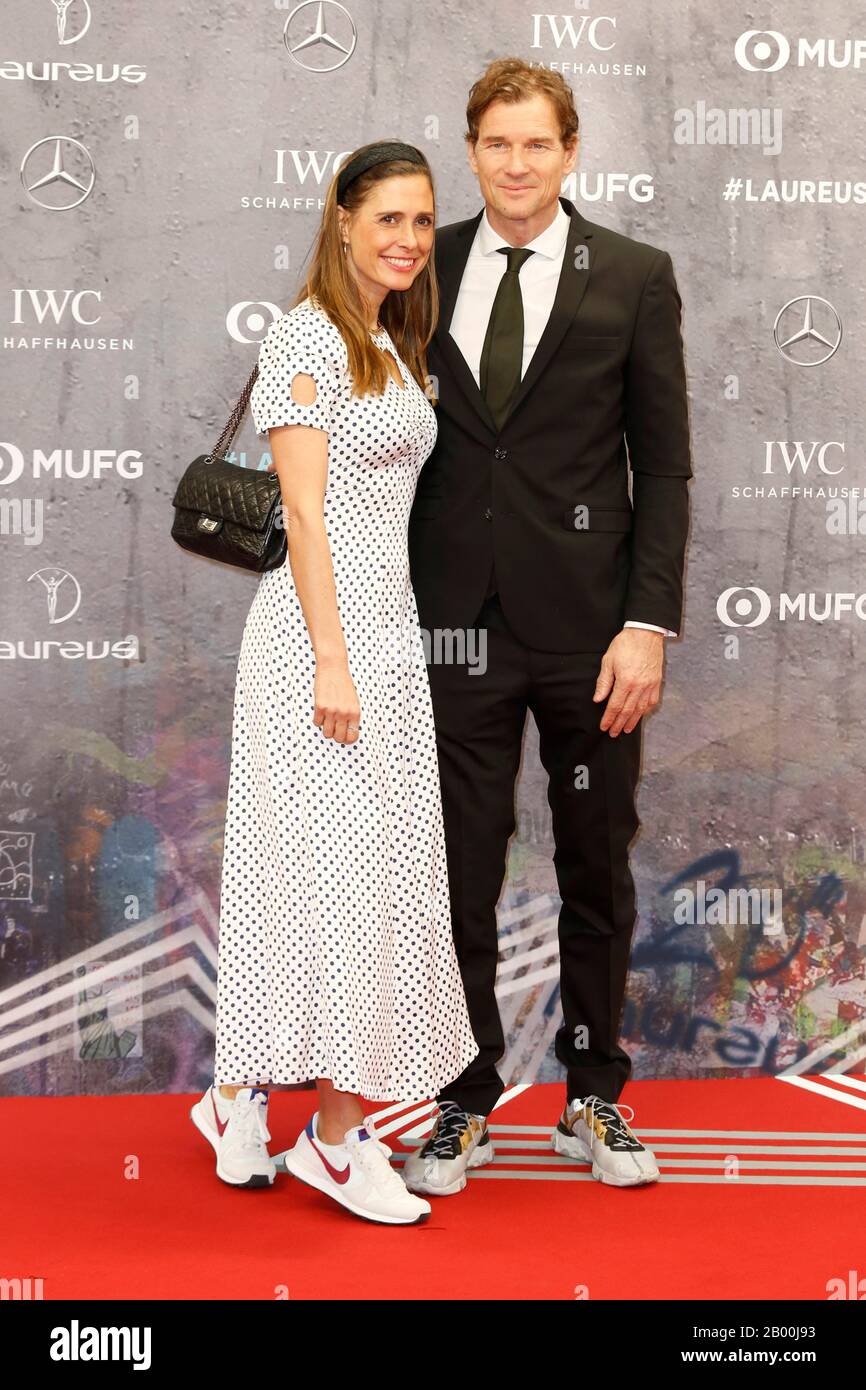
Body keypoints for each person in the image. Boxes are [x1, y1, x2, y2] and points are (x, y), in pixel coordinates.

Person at [401, 58, 693, 1196]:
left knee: (592, 868)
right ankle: (463, 1100)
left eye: (537, 144)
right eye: (494, 144)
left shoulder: (631, 274)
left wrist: (647, 624)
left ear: (568, 153)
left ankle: (594, 1097)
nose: (515, 164)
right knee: (457, 874)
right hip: (453, 628)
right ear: (469, 150)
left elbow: (661, 466)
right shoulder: (422, 266)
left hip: (589, 635)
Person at [190, 140, 479, 1226]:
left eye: (420, 220)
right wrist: (330, 656)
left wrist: (366, 650)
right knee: (320, 878)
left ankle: (263, 1107)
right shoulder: (307, 333)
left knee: (356, 880)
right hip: (319, 646)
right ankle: (314, 1125)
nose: (406, 239)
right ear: (343, 219)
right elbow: (302, 510)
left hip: (383, 641)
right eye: (387, 219)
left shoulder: (387, 338)